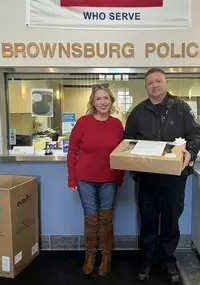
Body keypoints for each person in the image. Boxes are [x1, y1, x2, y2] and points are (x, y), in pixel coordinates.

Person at [124, 68, 200, 283]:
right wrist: (132, 162)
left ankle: (168, 260)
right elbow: (127, 141)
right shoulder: (138, 112)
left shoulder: (182, 108)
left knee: (170, 220)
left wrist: (191, 152)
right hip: (147, 177)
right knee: (148, 219)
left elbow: (196, 135)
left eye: (158, 81)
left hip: (175, 177)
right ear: (145, 87)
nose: (155, 85)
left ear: (166, 83)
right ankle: (147, 260)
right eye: (150, 83)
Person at [67, 83, 124, 277]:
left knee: (106, 219)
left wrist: (120, 176)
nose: (102, 102)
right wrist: (71, 178)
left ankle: (106, 257)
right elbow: (72, 151)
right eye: (98, 98)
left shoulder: (117, 124)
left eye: (106, 98)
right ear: (92, 101)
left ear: (111, 101)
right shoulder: (83, 122)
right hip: (85, 180)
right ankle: (90, 256)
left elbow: (121, 152)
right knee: (91, 220)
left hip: (109, 179)